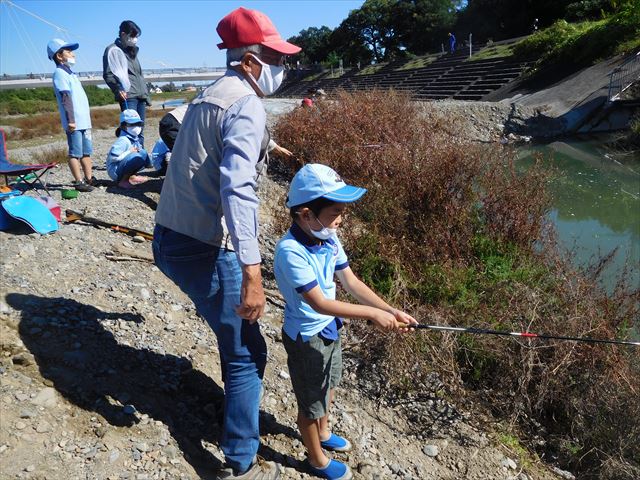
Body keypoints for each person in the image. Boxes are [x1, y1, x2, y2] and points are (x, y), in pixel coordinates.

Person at [152, 7, 301, 480]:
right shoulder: (246, 103)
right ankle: (239, 458)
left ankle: (237, 435)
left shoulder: (206, 95)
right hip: (202, 246)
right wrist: (252, 271)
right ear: (252, 61)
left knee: (233, 337)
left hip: (169, 236)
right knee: (246, 351)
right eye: (278, 57)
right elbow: (238, 189)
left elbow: (210, 151)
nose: (285, 66)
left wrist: (267, 146)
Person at [273, 164, 417, 480]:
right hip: (306, 335)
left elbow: (351, 282)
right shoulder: (290, 251)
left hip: (329, 327)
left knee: (330, 381)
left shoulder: (328, 237)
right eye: (335, 212)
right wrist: (372, 315)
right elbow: (320, 303)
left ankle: (324, 433)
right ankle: (316, 459)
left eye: (343, 212)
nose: (341, 219)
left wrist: (390, 311)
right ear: (306, 214)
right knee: (310, 403)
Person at [47, 38, 94, 192]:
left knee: (86, 152)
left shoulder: (71, 73)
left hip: (84, 122)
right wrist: (71, 121)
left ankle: (90, 178)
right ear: (59, 56)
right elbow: (66, 98)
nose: (72, 54)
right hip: (75, 123)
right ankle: (79, 181)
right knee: (75, 153)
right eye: (68, 51)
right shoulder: (59, 73)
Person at [103, 20, 150, 146]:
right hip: (128, 96)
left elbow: (138, 75)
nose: (135, 39)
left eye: (136, 36)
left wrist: (146, 94)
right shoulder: (112, 50)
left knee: (140, 128)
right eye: (133, 36)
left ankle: (141, 155)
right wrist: (118, 89)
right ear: (123, 34)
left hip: (140, 95)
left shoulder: (133, 50)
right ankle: (130, 157)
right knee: (131, 129)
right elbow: (108, 74)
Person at [106, 109, 151, 189]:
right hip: (114, 170)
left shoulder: (134, 138)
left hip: (121, 166)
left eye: (139, 124)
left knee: (142, 153)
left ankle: (132, 176)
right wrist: (129, 152)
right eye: (132, 124)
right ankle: (123, 181)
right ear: (123, 126)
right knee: (135, 157)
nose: (136, 127)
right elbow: (113, 158)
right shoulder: (123, 140)